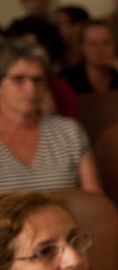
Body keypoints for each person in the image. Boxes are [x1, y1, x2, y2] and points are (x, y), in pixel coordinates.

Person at [0, 39, 101, 193]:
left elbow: (95, 203)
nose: (31, 89)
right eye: (18, 79)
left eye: (38, 80)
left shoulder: (69, 132)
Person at [61, 20, 118, 95]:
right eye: (92, 44)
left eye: (106, 43)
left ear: (115, 45)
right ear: (82, 47)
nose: (100, 49)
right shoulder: (68, 80)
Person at [53, 5, 90, 71]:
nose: (55, 29)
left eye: (60, 24)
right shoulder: (55, 61)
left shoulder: (93, 59)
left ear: (78, 27)